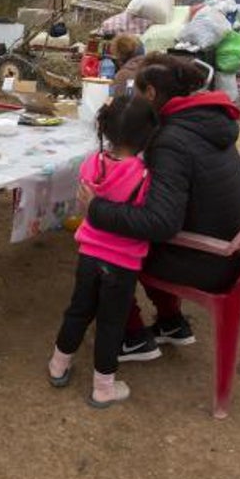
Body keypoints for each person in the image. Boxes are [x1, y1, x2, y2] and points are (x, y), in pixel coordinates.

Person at [84, 53, 240, 360]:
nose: (133, 99)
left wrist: (95, 209)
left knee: (103, 245)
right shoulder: (208, 118)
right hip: (235, 251)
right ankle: (171, 322)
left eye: (135, 91)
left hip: (211, 262)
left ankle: (131, 335)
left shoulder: (171, 139)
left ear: (150, 93)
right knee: (125, 228)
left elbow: (161, 223)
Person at [46, 96, 157, 407]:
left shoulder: (91, 164)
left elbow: (86, 201)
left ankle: (58, 364)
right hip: (122, 264)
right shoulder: (144, 174)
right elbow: (147, 216)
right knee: (111, 323)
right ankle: (104, 387)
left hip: (89, 255)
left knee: (78, 311)